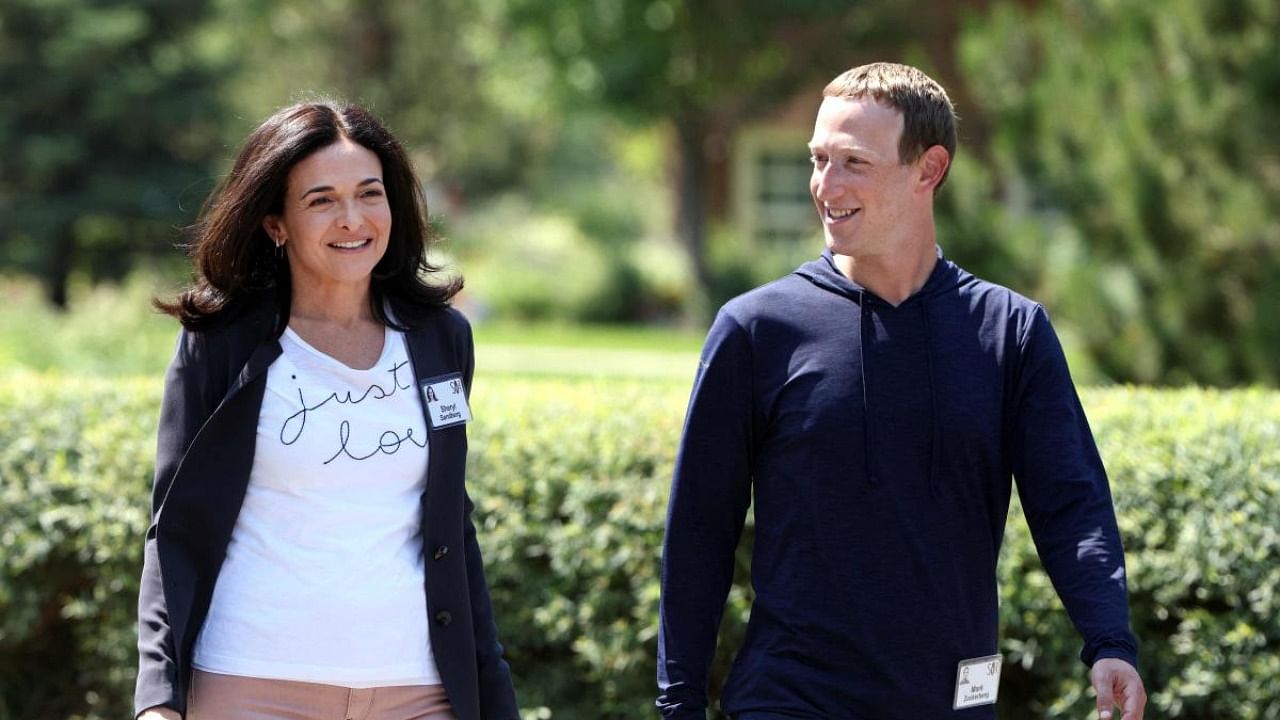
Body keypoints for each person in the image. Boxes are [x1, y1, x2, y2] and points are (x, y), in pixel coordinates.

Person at [656, 63, 1146, 720]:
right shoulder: (756, 329)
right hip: (792, 702)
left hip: (954, 703)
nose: (825, 186)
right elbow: (699, 531)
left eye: (854, 162)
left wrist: (1108, 640)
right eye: (819, 159)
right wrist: (678, 704)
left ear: (929, 169)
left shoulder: (1010, 332)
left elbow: (1072, 503)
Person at [135, 101, 519, 720]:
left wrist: (495, 696)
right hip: (252, 684)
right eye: (321, 200)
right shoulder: (222, 342)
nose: (353, 218)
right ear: (274, 223)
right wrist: (158, 697)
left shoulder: (441, 338)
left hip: (419, 691)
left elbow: (453, 526)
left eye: (370, 193)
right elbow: (173, 528)